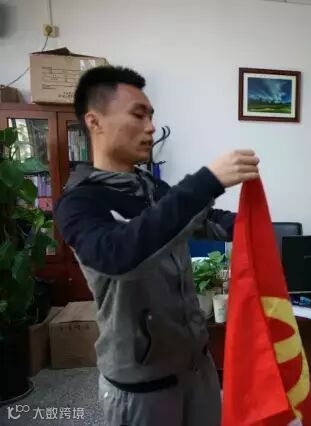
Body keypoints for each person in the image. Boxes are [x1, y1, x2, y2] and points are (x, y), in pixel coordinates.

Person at [53, 66, 259, 426]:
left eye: (151, 115)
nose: (150, 127)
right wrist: (206, 181)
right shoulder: (79, 203)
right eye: (138, 115)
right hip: (141, 385)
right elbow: (119, 256)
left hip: (197, 366)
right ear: (94, 121)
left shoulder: (153, 190)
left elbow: (207, 220)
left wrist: (256, 227)